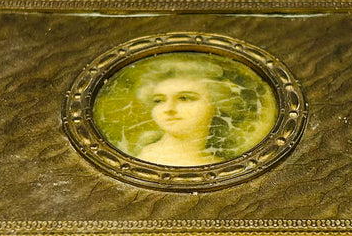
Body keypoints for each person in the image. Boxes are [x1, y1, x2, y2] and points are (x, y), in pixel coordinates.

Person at [114, 54, 276, 167]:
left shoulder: (221, 164)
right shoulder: (144, 158)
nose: (169, 109)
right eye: (159, 100)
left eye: (184, 98)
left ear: (216, 104)